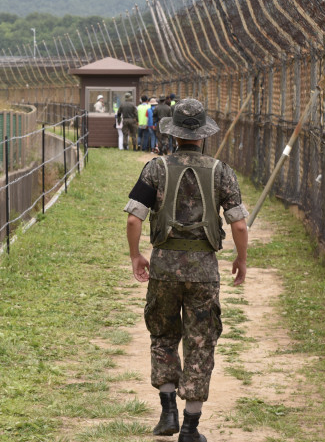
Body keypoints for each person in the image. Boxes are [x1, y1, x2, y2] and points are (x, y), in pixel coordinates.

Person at [124, 98, 249, 442]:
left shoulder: (156, 168)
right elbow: (238, 225)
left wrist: (136, 256)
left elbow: (135, 217)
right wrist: (241, 259)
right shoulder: (221, 171)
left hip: (163, 267)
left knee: (163, 334)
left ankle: (167, 412)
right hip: (204, 271)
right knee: (200, 342)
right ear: (203, 134)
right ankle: (191, 429)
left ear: (174, 134)